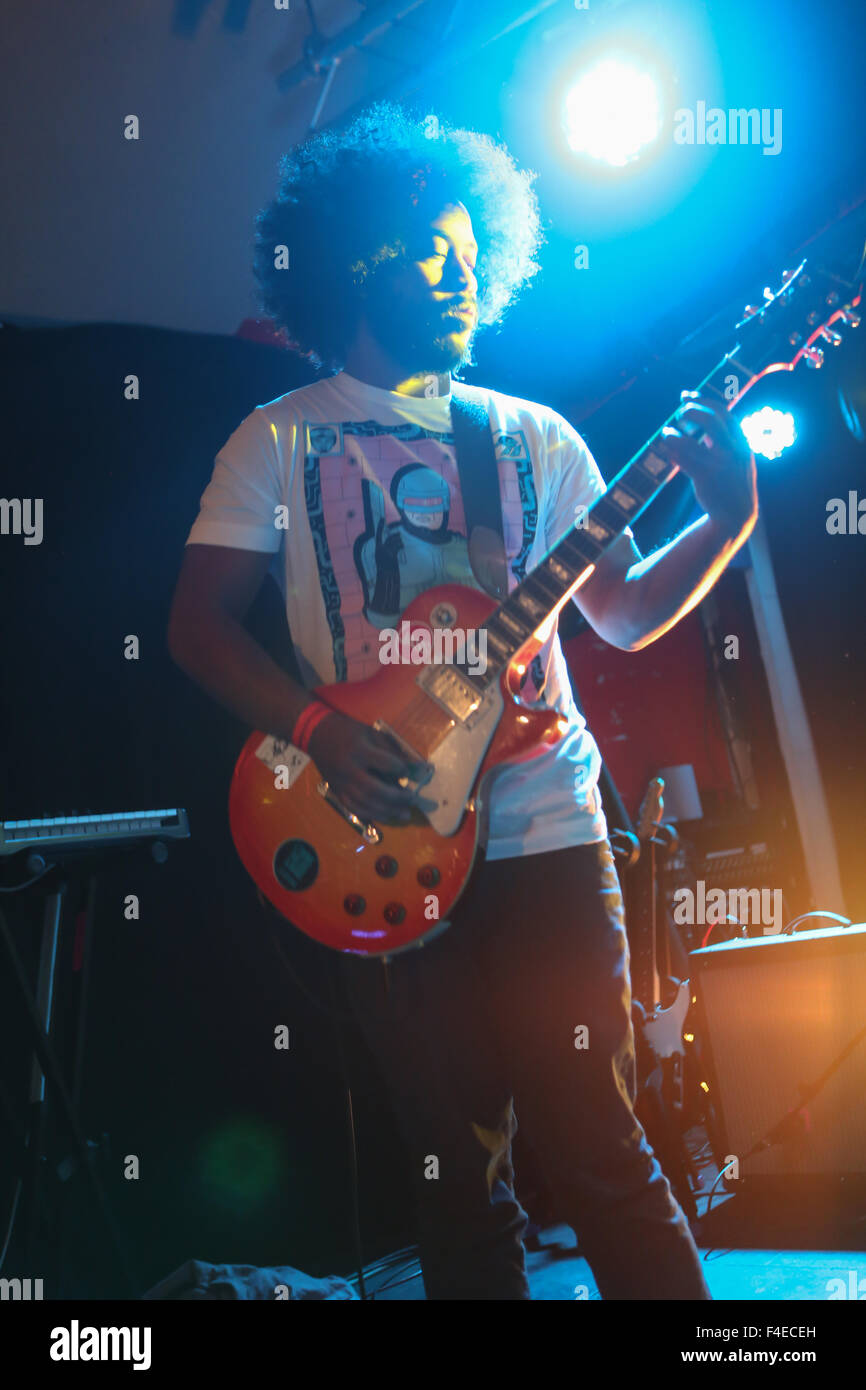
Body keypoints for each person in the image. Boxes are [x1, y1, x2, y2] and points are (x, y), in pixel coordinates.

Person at [167, 102, 757, 1300]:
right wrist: (320, 729)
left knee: (600, 1149)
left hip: (546, 826)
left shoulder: (533, 438)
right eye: (428, 249)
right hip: (374, 840)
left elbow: (626, 616)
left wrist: (728, 515)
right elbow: (194, 627)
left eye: (471, 254)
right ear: (355, 258)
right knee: (452, 1176)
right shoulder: (274, 441)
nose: (458, 274)